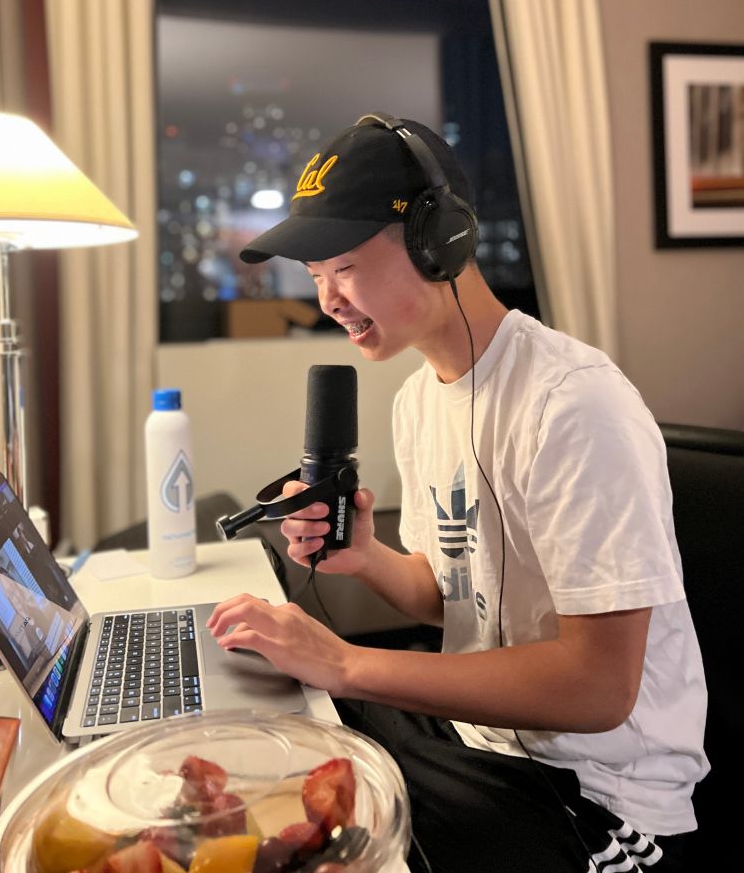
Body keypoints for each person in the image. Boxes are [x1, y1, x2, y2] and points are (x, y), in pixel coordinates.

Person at [207, 114, 708, 872]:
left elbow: (599, 688)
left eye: (343, 266)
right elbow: (450, 600)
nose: (328, 299)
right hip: (480, 744)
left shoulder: (572, 404)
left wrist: (342, 662)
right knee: (269, 774)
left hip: (599, 797)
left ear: (437, 241)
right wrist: (367, 557)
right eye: (314, 277)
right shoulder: (420, 398)